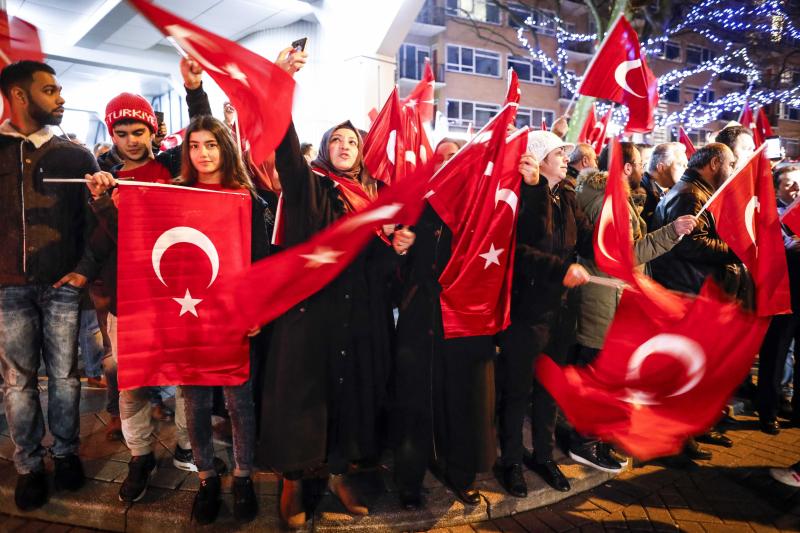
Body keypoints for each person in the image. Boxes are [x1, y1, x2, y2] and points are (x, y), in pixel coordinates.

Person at [257, 46, 414, 528]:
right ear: (326, 148)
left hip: (361, 316)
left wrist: (397, 247)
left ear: (363, 150)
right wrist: (280, 88)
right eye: (337, 140)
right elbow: (285, 148)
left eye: (353, 140)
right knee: (305, 402)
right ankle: (293, 483)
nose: (346, 145)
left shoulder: (376, 199)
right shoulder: (312, 187)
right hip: (311, 314)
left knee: (353, 400)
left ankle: (342, 474)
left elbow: (380, 271)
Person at [85, 57, 218, 503]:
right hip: (128, 297)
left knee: (182, 378)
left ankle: (187, 442)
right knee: (132, 382)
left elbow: (206, 134)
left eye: (137, 132)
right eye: (120, 133)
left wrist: (194, 90)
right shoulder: (104, 180)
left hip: (175, 293)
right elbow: (106, 244)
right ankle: (140, 455)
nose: (130, 141)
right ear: (111, 134)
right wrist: (103, 202)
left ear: (152, 131)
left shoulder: (171, 167)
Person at [0, 60, 101, 510]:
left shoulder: (76, 156)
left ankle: (65, 455)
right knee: (17, 382)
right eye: (50, 90)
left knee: (65, 378)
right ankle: (28, 465)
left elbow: (95, 222)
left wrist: (83, 267)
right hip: (7, 287)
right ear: (20, 96)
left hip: (62, 286)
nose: (61, 98)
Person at [569, 142, 696, 472]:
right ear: (625, 168)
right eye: (639, 162)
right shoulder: (610, 202)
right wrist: (672, 233)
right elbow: (623, 257)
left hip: (604, 297)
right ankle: (585, 443)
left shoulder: (603, 196)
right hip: (604, 300)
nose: (644, 167)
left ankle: (595, 439)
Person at [496, 130, 593, 494]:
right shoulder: (521, 194)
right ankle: (510, 462)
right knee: (517, 390)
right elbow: (519, 248)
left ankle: (543, 455)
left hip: (560, 311)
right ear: (538, 158)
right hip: (527, 310)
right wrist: (560, 271)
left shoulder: (568, 195)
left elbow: (587, 240)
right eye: (559, 152)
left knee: (549, 389)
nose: (567, 157)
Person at [650, 143, 747, 459]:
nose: (732, 170)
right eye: (730, 163)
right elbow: (689, 244)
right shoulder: (691, 194)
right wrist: (737, 249)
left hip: (696, 290)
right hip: (688, 290)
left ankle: (693, 427)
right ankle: (676, 439)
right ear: (715, 162)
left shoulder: (697, 191)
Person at [756, 164, 800, 434]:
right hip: (782, 294)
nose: (796, 188)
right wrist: (788, 247)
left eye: (798, 183)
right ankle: (768, 411)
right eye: (789, 184)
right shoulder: (767, 215)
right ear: (776, 188)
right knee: (776, 354)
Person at [641, 142, 688, 230]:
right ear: (661, 167)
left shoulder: (671, 190)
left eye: (686, 165)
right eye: (681, 164)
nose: (686, 169)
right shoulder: (641, 194)